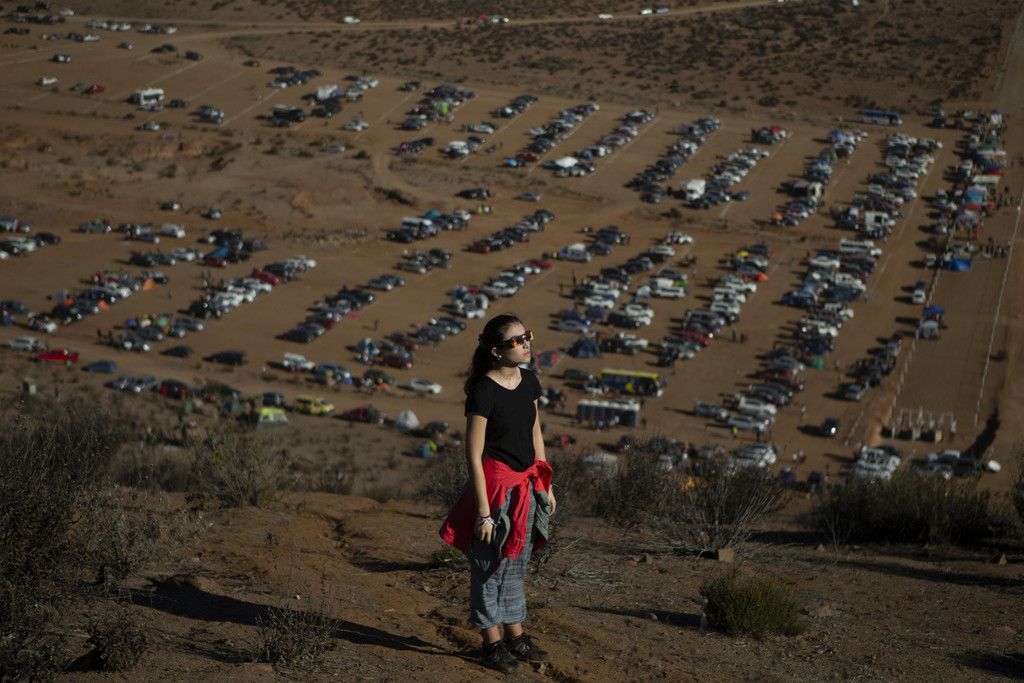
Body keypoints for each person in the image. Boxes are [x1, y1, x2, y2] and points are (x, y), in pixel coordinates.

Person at [440, 314, 555, 674]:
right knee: (488, 567)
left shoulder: (530, 381)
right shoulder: (484, 390)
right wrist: (484, 513)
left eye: (526, 336)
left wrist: (545, 484)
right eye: (516, 341)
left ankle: (515, 636)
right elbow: (473, 455)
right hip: (495, 490)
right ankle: (491, 644)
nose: (525, 344)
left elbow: (535, 434)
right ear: (495, 350)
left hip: (526, 486)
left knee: (516, 564)